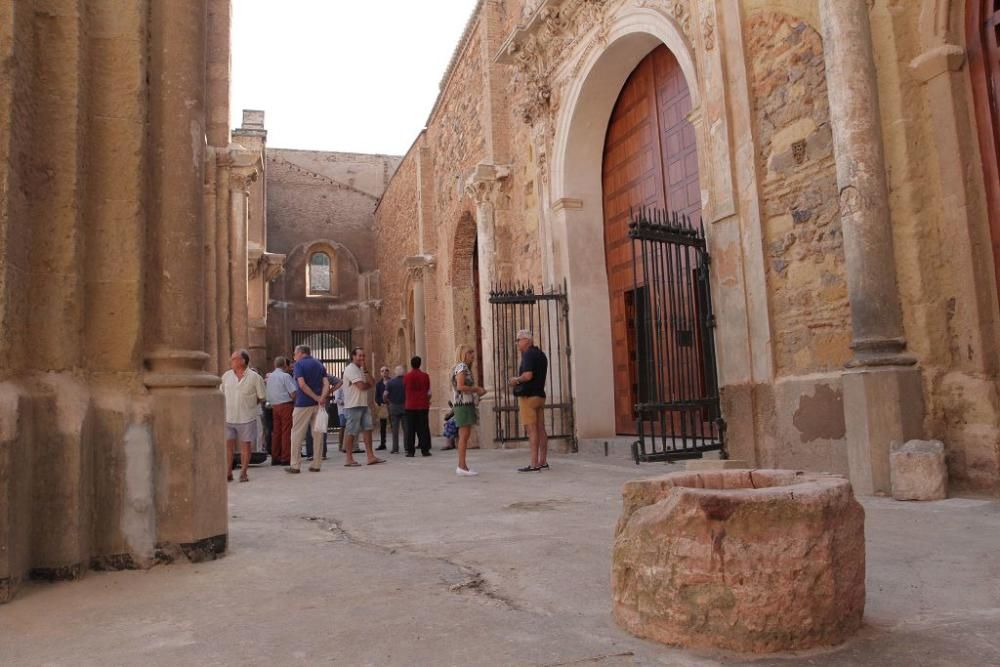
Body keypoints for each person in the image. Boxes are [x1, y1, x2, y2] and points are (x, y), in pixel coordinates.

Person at [221, 349, 266, 483]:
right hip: (228, 417)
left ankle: (243, 472)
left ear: (243, 361)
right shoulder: (226, 376)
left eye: (234, 359)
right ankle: (228, 472)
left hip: (247, 417)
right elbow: (220, 393)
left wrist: (249, 405)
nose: (231, 361)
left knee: (245, 446)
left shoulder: (255, 377)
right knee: (228, 446)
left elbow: (261, 396)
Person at [286, 344, 330, 474]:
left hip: (303, 404)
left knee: (296, 434)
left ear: (300, 352)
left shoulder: (299, 365)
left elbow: (302, 384)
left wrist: (316, 397)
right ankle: (316, 464)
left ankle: (295, 465)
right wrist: (321, 398)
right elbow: (326, 383)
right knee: (318, 434)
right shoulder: (319, 364)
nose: (294, 357)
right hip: (318, 405)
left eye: (295, 354)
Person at [510, 329, 549, 472]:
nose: (517, 343)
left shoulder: (528, 355)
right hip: (540, 395)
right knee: (541, 429)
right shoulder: (541, 355)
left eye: (519, 340)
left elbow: (527, 375)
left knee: (531, 430)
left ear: (527, 340)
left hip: (528, 397)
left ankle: (533, 464)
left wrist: (515, 380)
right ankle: (543, 461)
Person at [341, 347, 386, 466]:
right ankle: (349, 458)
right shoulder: (350, 369)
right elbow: (361, 386)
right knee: (351, 432)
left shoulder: (361, 369)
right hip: (352, 405)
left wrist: (366, 371)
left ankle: (370, 456)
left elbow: (373, 382)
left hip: (363, 404)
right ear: (353, 356)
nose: (362, 358)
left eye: (363, 356)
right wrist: (368, 385)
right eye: (359, 355)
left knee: (368, 429)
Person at [452, 345, 487, 476]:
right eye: (469, 352)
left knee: (464, 436)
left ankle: (463, 466)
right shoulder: (461, 367)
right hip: (463, 405)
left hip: (464, 404)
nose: (472, 354)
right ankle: (461, 466)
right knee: (464, 436)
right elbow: (460, 386)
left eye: (472, 351)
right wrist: (476, 389)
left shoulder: (463, 367)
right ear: (463, 354)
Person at [265, 356, 297, 466]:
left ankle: (275, 457)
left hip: (274, 406)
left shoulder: (270, 377)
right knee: (286, 432)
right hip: (286, 405)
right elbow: (293, 392)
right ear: (285, 365)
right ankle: (285, 457)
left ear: (274, 365)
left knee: (276, 432)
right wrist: (295, 400)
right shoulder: (285, 376)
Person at [403, 356, 433, 457]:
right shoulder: (425, 376)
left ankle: (410, 451)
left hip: (410, 405)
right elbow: (428, 391)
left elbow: (405, 389)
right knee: (423, 428)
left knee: (410, 429)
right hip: (423, 405)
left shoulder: (407, 376)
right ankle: (425, 450)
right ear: (420, 364)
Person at [385, 365, 406, 454]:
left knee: (395, 429)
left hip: (393, 406)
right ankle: (407, 447)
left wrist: (388, 401)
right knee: (406, 428)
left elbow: (385, 394)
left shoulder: (390, 382)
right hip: (405, 406)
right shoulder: (406, 381)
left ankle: (395, 448)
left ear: (395, 373)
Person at [374, 366, 391, 451]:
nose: (384, 372)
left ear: (389, 372)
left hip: (392, 406)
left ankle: (395, 444)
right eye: (382, 371)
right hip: (383, 407)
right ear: (380, 373)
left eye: (386, 370)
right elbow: (376, 397)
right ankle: (383, 443)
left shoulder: (392, 382)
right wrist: (382, 402)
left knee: (394, 425)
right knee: (382, 426)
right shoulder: (378, 384)